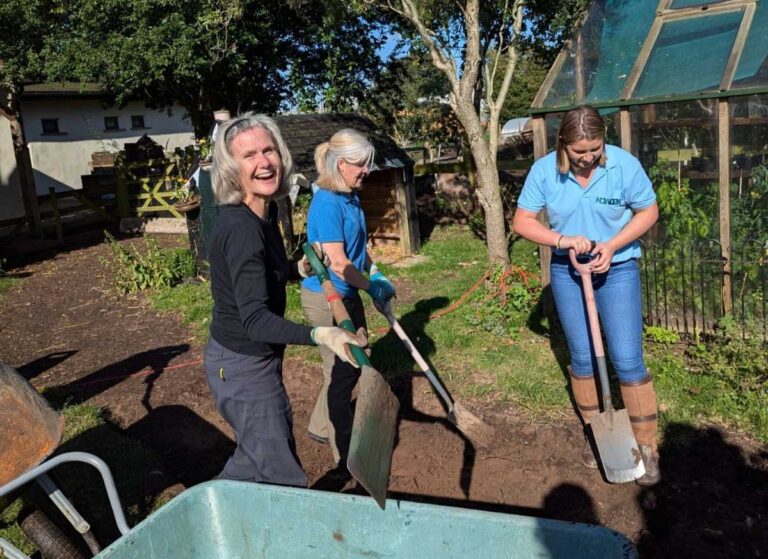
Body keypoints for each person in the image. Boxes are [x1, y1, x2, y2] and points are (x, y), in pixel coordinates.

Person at [204, 113, 366, 487]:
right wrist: (321, 334)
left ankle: (219, 509)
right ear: (231, 169)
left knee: (253, 456)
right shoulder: (240, 229)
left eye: (269, 150)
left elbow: (268, 272)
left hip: (252, 358)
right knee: (283, 476)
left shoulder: (265, 211)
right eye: (249, 156)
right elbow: (256, 321)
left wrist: (299, 270)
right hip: (242, 365)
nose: (264, 162)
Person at [512, 105, 661, 486]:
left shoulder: (623, 166)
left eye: (595, 148)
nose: (588, 157)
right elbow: (523, 221)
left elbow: (648, 211)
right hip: (568, 271)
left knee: (627, 359)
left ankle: (646, 447)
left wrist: (611, 247)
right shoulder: (545, 171)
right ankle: (600, 433)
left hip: (618, 270)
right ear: (563, 144)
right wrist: (561, 240)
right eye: (580, 151)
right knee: (581, 356)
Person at [300, 128, 396, 467]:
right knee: (343, 371)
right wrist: (371, 288)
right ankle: (345, 455)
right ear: (341, 164)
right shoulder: (326, 203)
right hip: (326, 298)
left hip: (349, 291)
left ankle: (319, 425)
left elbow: (358, 251)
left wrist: (376, 273)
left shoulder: (350, 196)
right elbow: (339, 264)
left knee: (347, 367)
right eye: (361, 164)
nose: (367, 171)